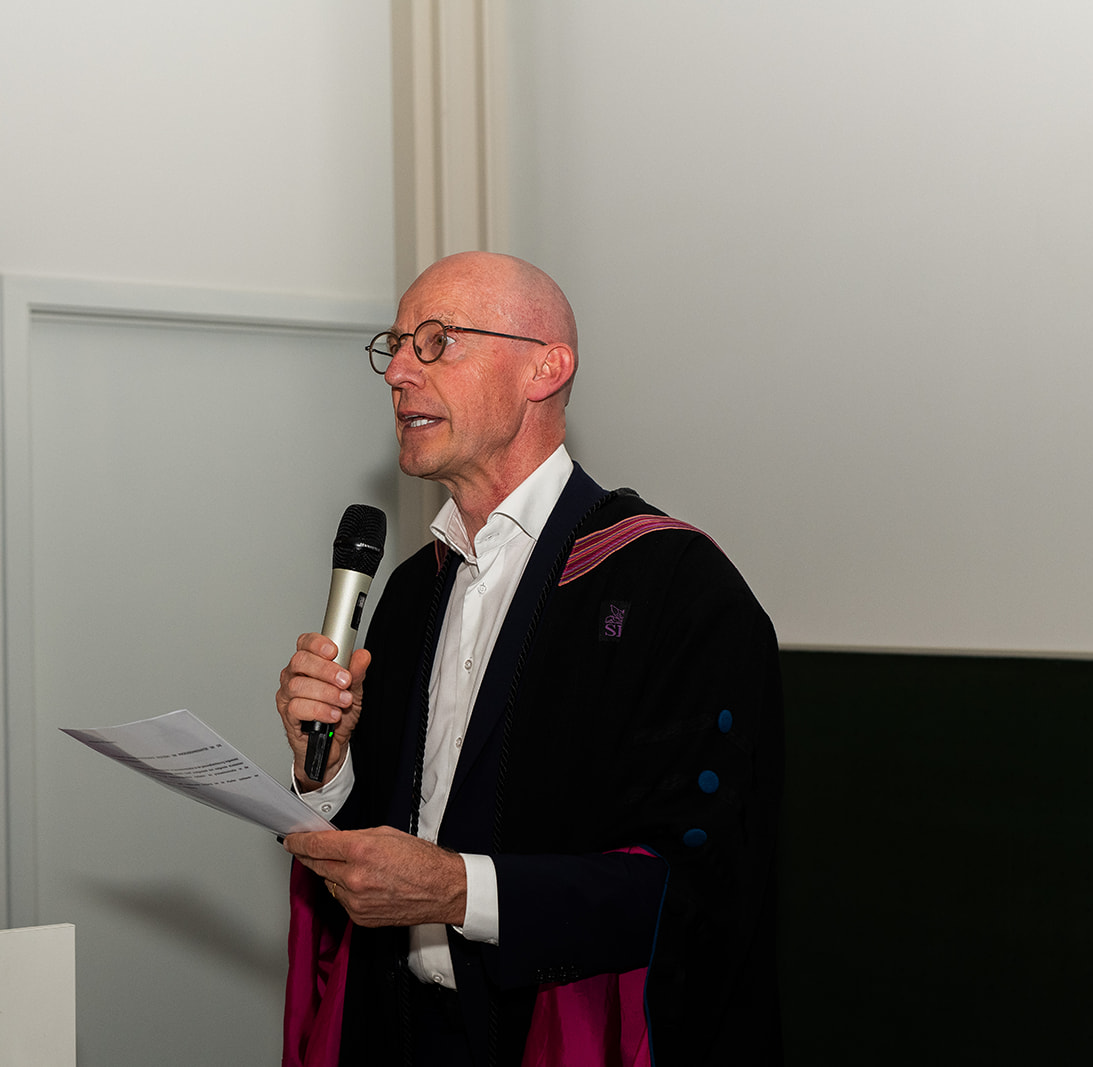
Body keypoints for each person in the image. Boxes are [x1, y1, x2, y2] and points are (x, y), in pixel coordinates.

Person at [276, 252, 783, 1066]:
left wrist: (456, 890)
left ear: (545, 369)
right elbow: (384, 847)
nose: (398, 371)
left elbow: (696, 883)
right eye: (395, 345)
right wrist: (326, 772)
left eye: (437, 340)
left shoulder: (674, 589)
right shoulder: (410, 592)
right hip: (402, 1029)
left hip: (549, 1038)